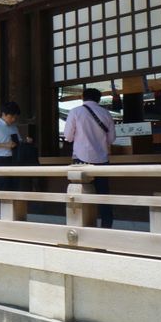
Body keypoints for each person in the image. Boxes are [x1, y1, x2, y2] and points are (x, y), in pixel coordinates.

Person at [64, 88, 116, 228]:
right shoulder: (106, 113)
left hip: (81, 158)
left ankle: (80, 224)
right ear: (99, 99)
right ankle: (106, 225)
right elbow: (111, 139)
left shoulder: (75, 112)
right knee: (103, 194)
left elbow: (68, 137)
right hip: (102, 160)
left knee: (79, 192)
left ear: (83, 97)